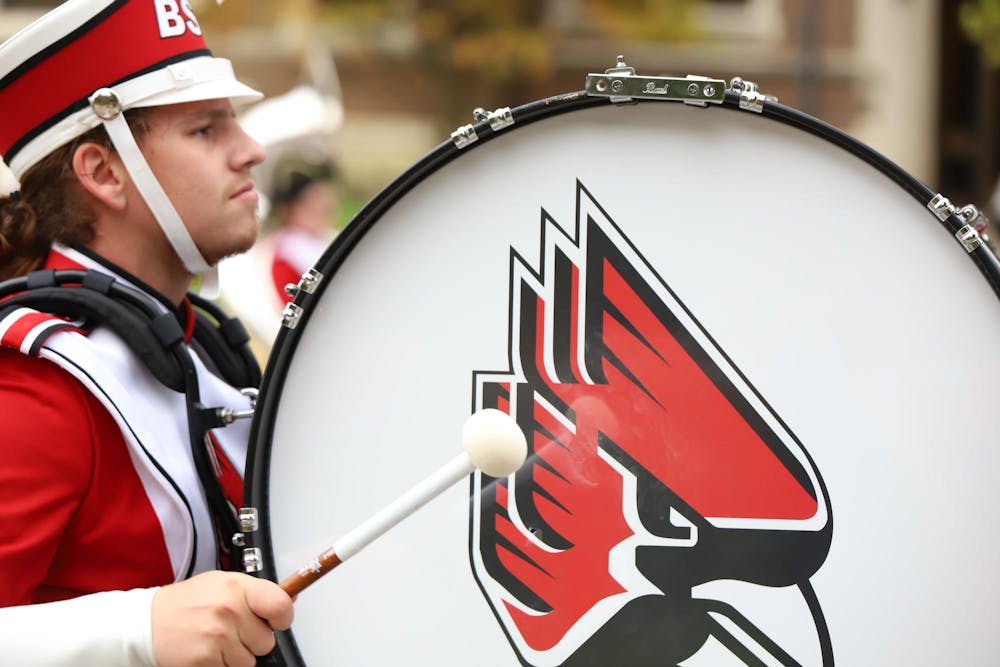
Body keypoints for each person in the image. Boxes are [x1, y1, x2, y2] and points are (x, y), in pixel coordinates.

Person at [0, 1, 294, 665]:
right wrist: (138, 629)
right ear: (103, 172)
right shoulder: (36, 384)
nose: (251, 150)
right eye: (205, 129)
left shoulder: (190, 343)